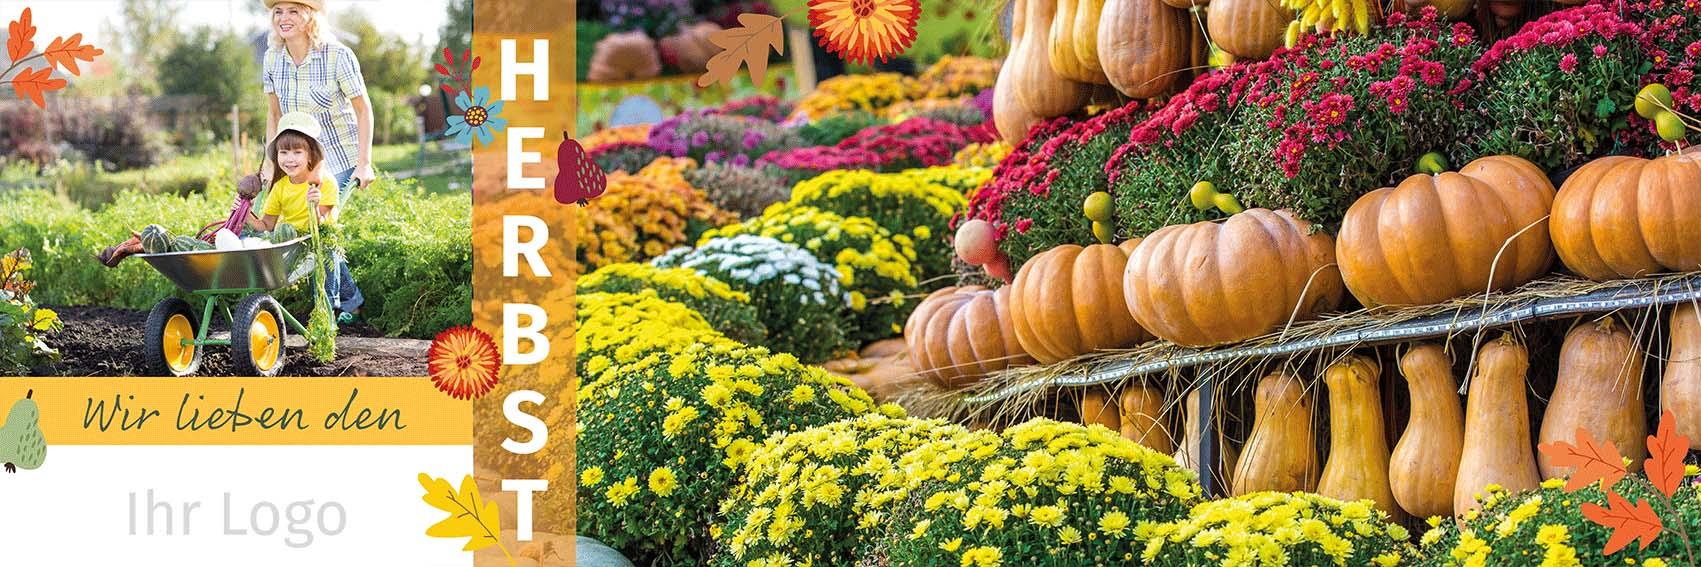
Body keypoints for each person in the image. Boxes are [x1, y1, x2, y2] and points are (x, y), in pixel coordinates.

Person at [261, 0, 376, 195]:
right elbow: (274, 115)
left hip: (339, 161)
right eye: (278, 12)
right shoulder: (272, 58)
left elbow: (363, 110)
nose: (283, 18)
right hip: (299, 164)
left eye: (293, 11)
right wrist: (270, 163)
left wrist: (364, 164)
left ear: (310, 17)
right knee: (290, 213)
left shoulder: (337, 55)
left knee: (321, 212)